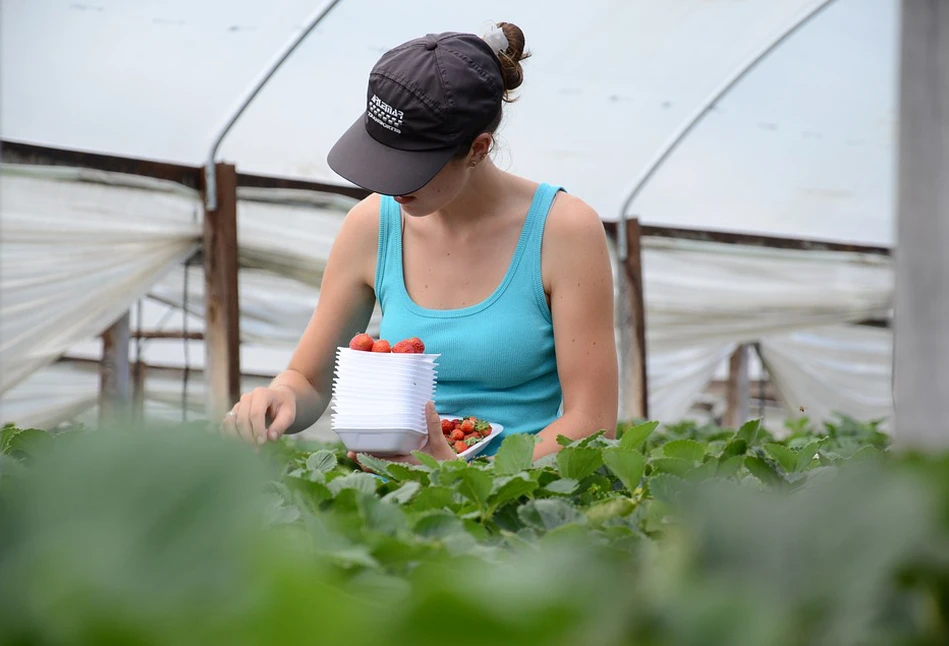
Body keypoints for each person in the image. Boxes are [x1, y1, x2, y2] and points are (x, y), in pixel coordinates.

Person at [221, 22, 618, 463]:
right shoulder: (372, 225)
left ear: (478, 149)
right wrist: (280, 398)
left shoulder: (563, 230)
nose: (390, 186)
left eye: (410, 168)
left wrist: (468, 478)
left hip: (515, 502)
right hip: (399, 504)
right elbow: (310, 380)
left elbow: (592, 421)